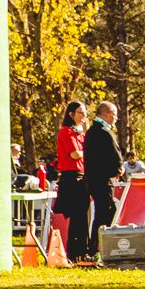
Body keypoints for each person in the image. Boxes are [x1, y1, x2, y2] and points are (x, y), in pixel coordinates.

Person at [52, 102, 92, 262]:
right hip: (72, 178)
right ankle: (74, 253)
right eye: (80, 113)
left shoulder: (82, 133)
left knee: (83, 216)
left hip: (82, 176)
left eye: (85, 113)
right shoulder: (66, 132)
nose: (84, 116)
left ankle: (82, 250)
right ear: (71, 114)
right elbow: (75, 154)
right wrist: (88, 150)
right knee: (77, 217)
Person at [85, 102, 124, 244]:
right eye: (114, 115)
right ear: (106, 115)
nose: (116, 119)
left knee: (105, 211)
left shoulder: (92, 131)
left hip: (94, 179)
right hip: (103, 179)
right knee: (105, 213)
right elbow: (114, 154)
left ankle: (98, 245)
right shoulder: (104, 132)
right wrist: (119, 169)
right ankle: (97, 246)